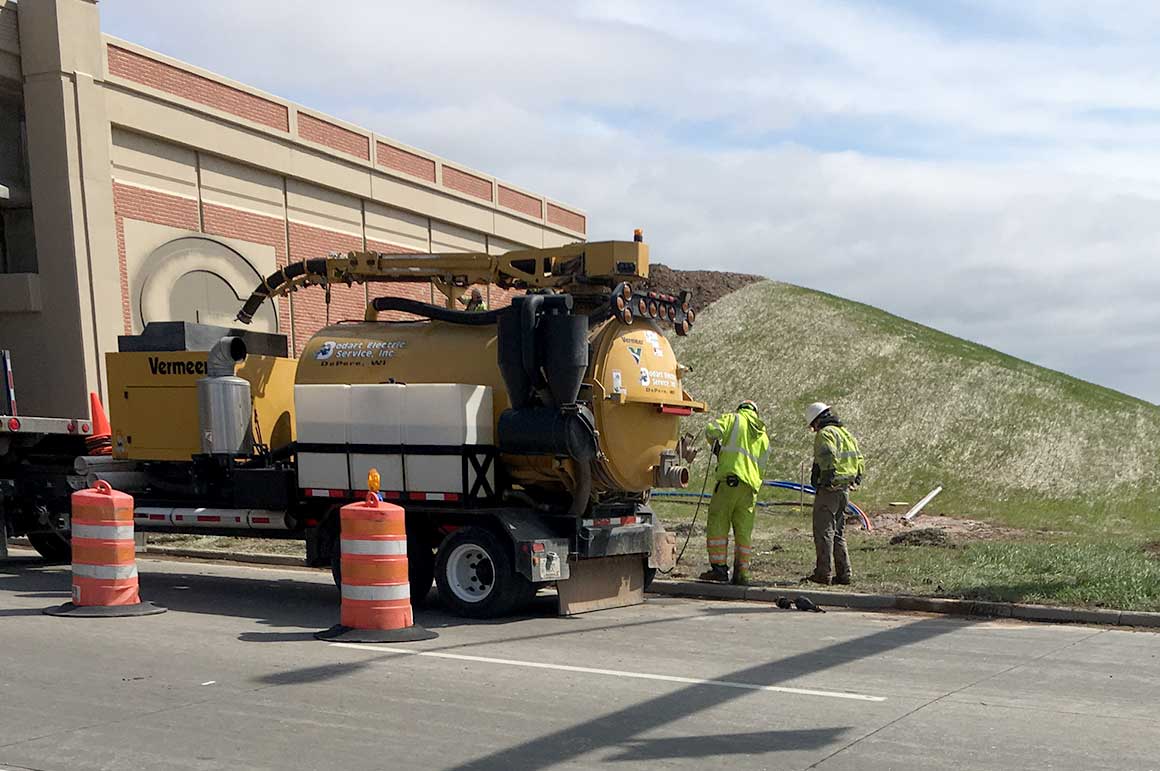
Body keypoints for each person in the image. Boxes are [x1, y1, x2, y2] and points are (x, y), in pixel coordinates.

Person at [699, 400, 770, 585]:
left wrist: (716, 448)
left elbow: (711, 430)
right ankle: (742, 573)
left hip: (730, 483)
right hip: (750, 490)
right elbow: (762, 467)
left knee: (718, 522)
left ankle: (719, 570)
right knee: (744, 531)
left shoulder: (734, 419)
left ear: (740, 408)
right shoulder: (763, 435)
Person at [803, 402, 864, 586]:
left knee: (823, 531)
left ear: (816, 421)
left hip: (830, 489)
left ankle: (823, 573)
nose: (814, 430)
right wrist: (857, 478)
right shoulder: (845, 433)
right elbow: (859, 458)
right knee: (838, 532)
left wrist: (826, 478)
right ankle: (844, 573)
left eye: (813, 426)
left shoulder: (826, 433)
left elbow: (827, 454)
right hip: (844, 489)